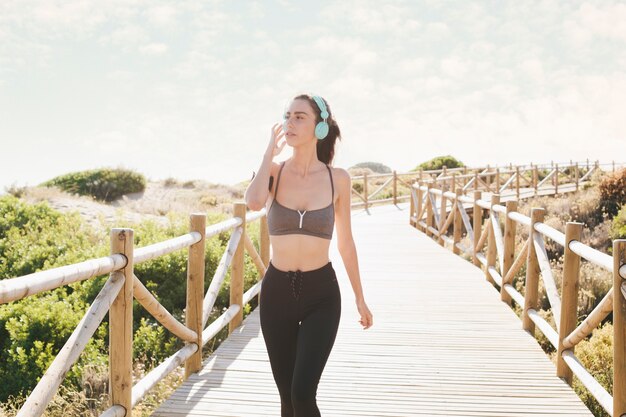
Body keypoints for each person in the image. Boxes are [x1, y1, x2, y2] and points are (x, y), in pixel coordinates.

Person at [244, 93, 373, 416]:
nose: (290, 122)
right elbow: (254, 202)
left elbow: (346, 243)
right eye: (287, 115)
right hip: (276, 294)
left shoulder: (337, 179)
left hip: (321, 295)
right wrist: (267, 155)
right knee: (287, 399)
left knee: (302, 394)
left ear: (319, 128)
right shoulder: (272, 171)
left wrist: (359, 297)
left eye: (300, 116)